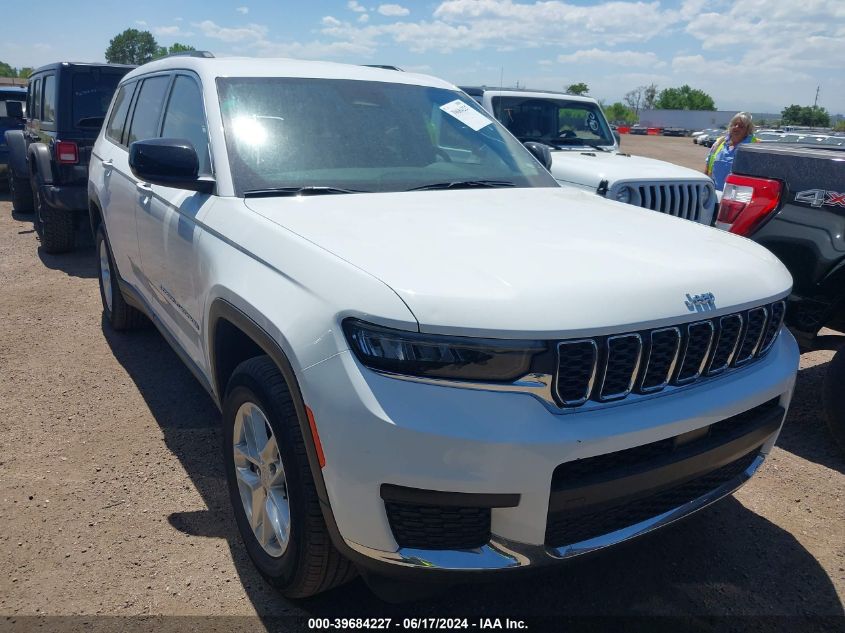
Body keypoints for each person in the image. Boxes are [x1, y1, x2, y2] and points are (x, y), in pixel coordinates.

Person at [705, 112, 758, 191]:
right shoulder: (719, 143)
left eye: (741, 126)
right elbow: (708, 167)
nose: (736, 127)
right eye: (734, 124)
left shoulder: (754, 146)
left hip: (738, 197)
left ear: (747, 130)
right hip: (714, 194)